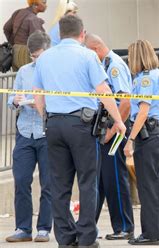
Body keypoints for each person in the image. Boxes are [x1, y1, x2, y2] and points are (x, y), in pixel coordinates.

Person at [32, 15, 126, 247]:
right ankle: (86, 238)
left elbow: (37, 95)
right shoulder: (87, 56)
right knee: (87, 182)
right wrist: (118, 121)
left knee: (59, 184)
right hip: (81, 126)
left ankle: (65, 238)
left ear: (60, 34)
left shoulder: (44, 58)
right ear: (82, 33)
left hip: (54, 126)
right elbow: (104, 90)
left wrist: (46, 117)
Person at [84, 33, 135, 240]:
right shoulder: (105, 64)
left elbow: (125, 103)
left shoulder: (114, 65)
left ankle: (124, 226)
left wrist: (113, 132)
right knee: (102, 180)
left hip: (115, 131)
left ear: (95, 49)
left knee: (115, 178)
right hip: (106, 129)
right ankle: (88, 227)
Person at [5, 31, 51, 243]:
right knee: (21, 180)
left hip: (46, 132)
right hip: (25, 131)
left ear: (48, 50)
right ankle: (23, 228)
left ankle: (44, 228)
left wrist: (40, 103)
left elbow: (63, 100)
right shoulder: (24, 71)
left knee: (48, 183)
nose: (35, 60)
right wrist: (16, 100)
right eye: (32, 56)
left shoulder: (56, 72)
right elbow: (11, 98)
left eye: (38, 55)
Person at [124, 39, 159, 246]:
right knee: (158, 184)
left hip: (148, 134)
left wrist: (130, 140)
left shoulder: (145, 79)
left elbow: (142, 111)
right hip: (158, 131)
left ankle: (150, 234)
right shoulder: (157, 74)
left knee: (147, 186)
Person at [3, 0, 47, 71]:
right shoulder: (33, 19)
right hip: (26, 53)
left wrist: (14, 43)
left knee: (18, 78)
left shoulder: (18, 12)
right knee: (29, 78)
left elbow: (6, 28)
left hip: (15, 51)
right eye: (44, 2)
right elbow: (36, 42)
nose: (46, 6)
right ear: (35, 4)